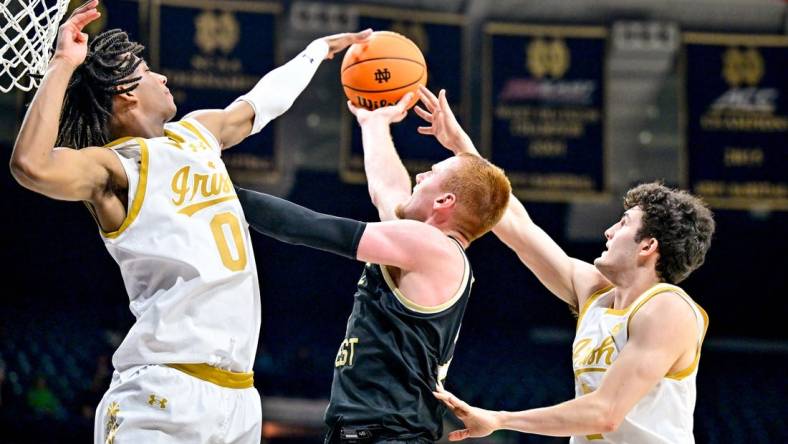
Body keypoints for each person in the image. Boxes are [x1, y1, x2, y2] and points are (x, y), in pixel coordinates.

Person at [8, 1, 370, 442]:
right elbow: (32, 164)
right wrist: (64, 63)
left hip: (239, 398)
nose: (163, 77)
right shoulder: (113, 170)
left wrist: (315, 51)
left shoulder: (197, 132)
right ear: (124, 91)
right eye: (147, 69)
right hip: (162, 391)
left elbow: (260, 104)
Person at [415, 86, 715, 443]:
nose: (607, 231)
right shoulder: (594, 293)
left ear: (648, 246)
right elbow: (519, 229)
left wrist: (499, 418)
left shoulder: (668, 307)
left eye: (622, 224)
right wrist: (461, 146)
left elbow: (604, 413)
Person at [233, 92, 511, 443]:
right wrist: (375, 124)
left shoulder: (431, 247)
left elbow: (312, 227)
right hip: (379, 430)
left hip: (388, 433)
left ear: (444, 201)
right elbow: (387, 192)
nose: (421, 175)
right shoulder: (424, 248)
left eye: (433, 173)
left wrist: (222, 192)